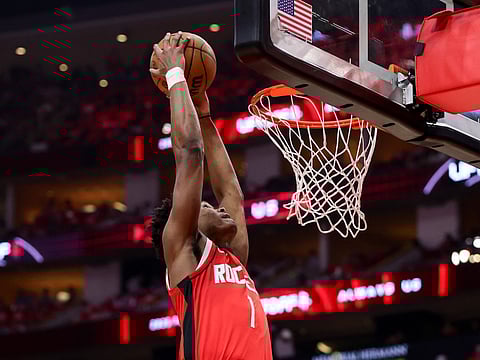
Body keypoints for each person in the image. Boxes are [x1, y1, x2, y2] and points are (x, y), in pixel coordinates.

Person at [148, 31, 272, 360]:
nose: (220, 208)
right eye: (207, 206)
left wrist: (204, 116)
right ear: (188, 225)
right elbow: (190, 154)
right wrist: (176, 74)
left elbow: (230, 188)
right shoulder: (184, 254)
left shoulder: (232, 258)